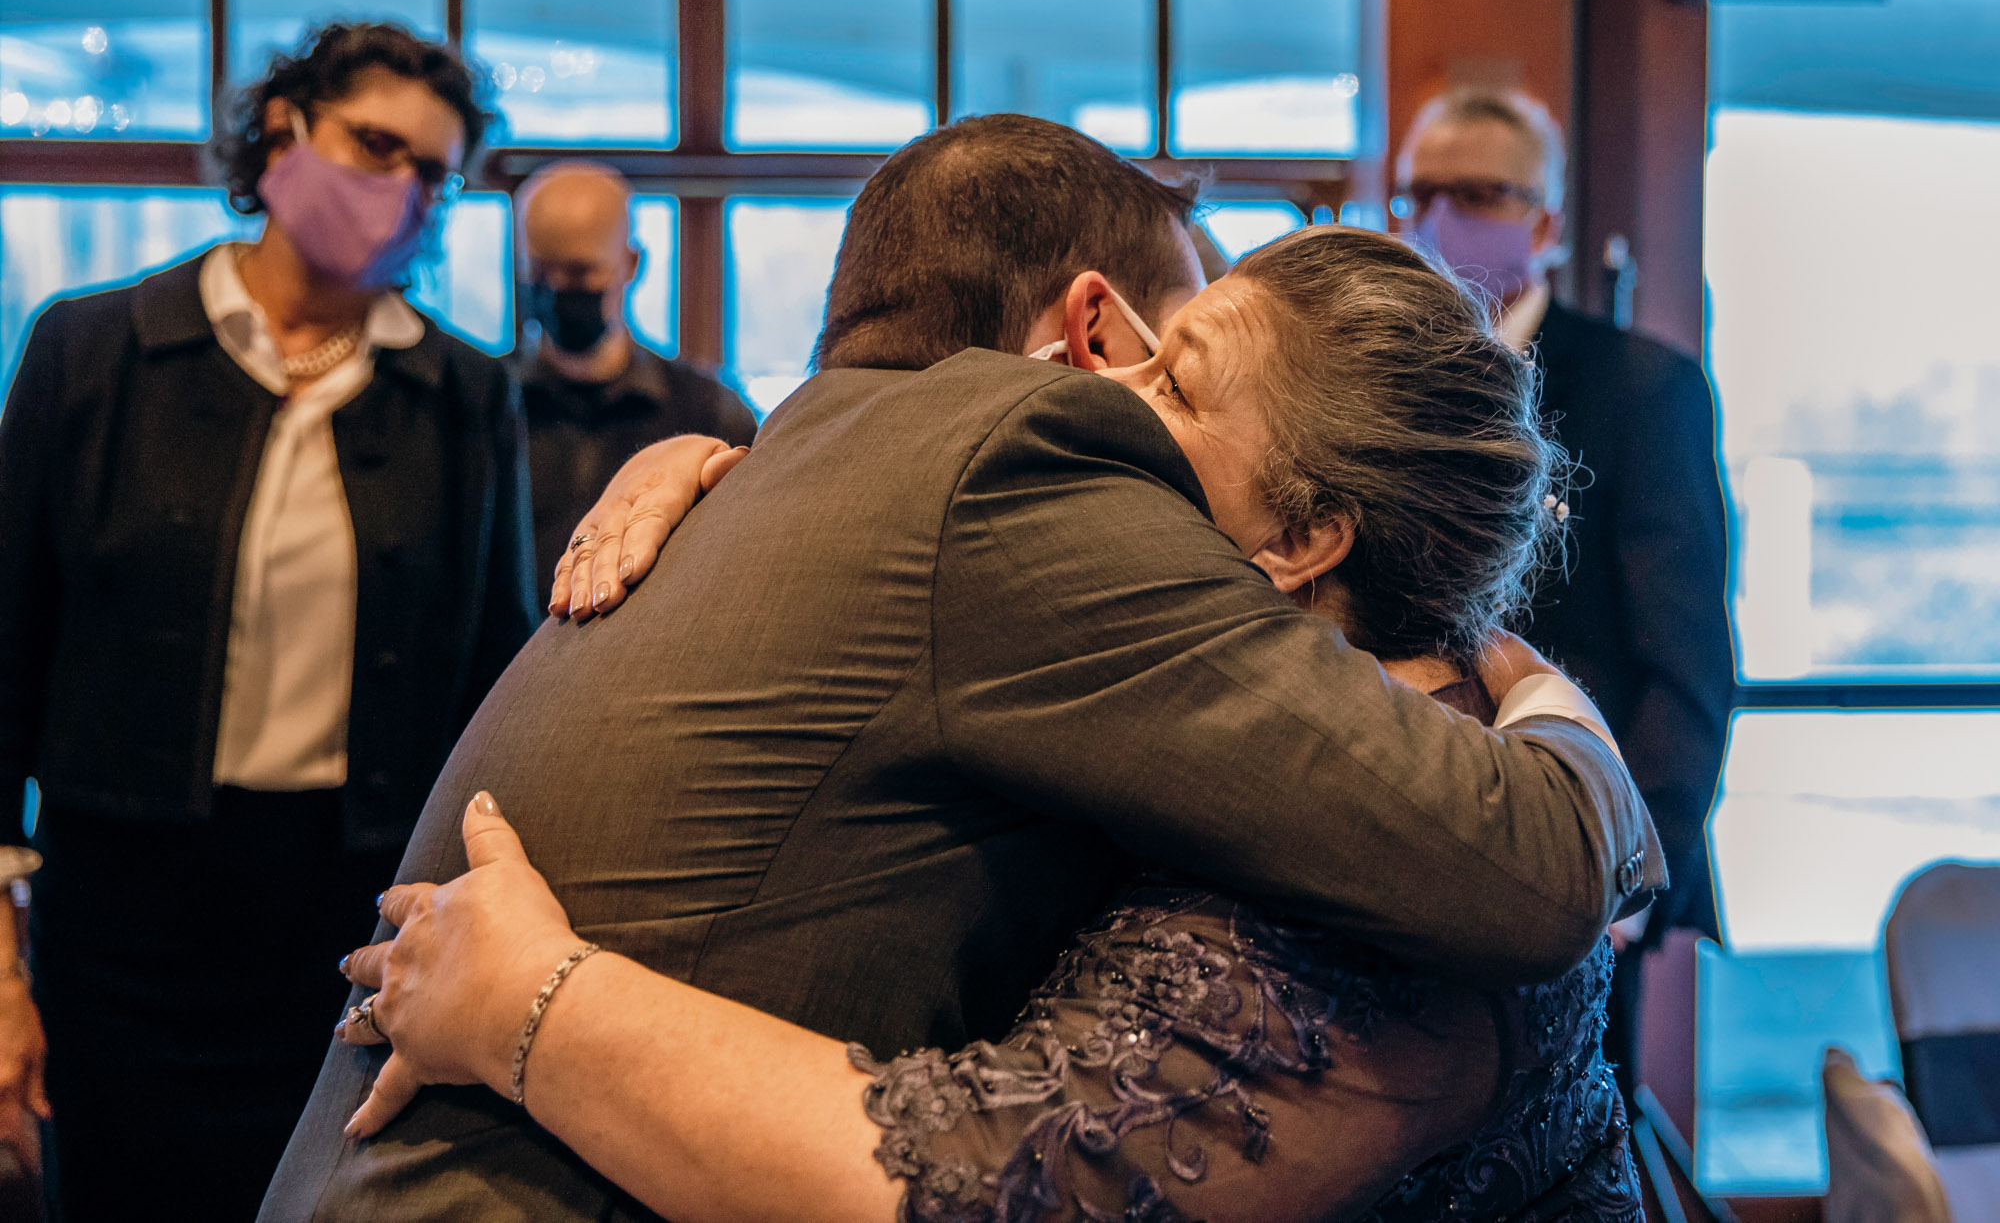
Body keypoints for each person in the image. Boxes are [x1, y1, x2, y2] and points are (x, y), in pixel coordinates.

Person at [262, 115, 1658, 1221]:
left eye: (1177, 383)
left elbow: (1003, 1174)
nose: (1120, 400)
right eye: (1148, 363)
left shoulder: (1336, 787)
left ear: (1305, 533)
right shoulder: (1019, 502)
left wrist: (540, 1004)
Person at [0, 21, 538, 1221]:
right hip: (118, 916)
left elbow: (493, 676)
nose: (398, 189)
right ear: (285, 127)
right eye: (375, 146)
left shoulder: (461, 394)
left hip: (343, 923)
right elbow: (3, 655)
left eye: (431, 172)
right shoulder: (92, 350)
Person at [1398, 87, 1735, 1095]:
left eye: (1476, 193)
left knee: (1578, 1136)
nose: (1437, 220)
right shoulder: (1387, 380)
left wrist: (1628, 873)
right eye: (1418, 194)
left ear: (1541, 220)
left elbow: (1686, 663)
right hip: (1413, 828)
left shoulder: (1640, 386)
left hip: (1581, 841)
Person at [514, 161, 756, 582]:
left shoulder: (709, 412)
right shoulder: (482, 403)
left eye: (579, 271)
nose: (555, 288)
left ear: (630, 263)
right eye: (540, 270)